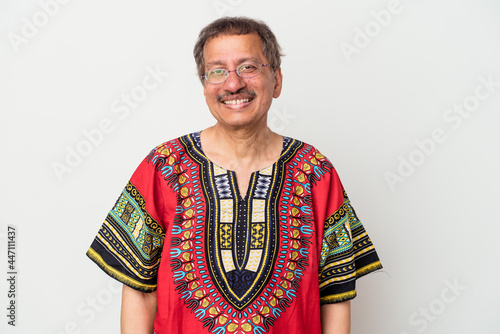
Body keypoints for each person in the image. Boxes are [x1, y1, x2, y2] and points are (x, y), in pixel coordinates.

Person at [87, 16, 382, 334]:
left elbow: (334, 296)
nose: (233, 83)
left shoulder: (315, 171)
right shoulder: (163, 165)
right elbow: (138, 291)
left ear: (277, 80)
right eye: (217, 71)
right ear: (204, 86)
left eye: (249, 67)